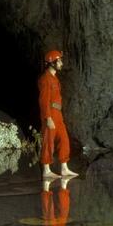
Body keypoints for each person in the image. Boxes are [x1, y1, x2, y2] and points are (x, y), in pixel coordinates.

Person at [38, 49, 78, 178]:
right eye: (59, 61)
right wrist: (48, 117)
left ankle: (64, 168)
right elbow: (44, 100)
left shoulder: (54, 79)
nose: (61, 63)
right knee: (48, 141)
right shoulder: (45, 79)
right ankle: (46, 169)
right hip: (50, 113)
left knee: (64, 139)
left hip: (58, 113)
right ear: (52, 63)